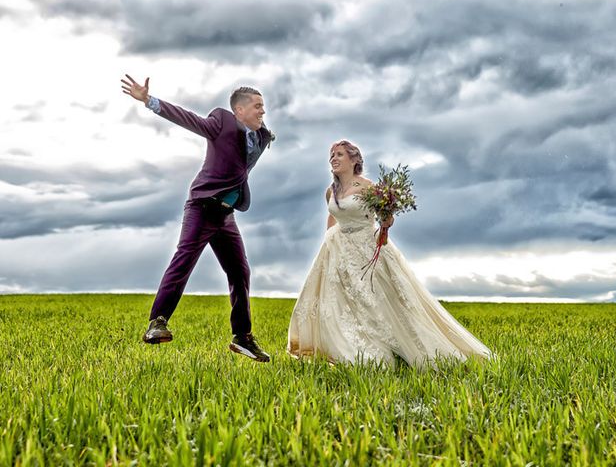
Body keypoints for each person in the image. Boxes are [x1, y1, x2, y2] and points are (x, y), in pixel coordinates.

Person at [287, 140, 492, 369]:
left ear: (354, 160)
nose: (333, 159)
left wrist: (387, 221)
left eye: (339, 155)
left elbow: (385, 217)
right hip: (337, 249)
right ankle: (344, 347)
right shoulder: (330, 191)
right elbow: (332, 216)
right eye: (331, 155)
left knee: (374, 298)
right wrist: (328, 244)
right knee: (341, 302)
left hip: (367, 246)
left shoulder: (369, 188)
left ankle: (397, 347)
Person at [121, 74, 273, 362]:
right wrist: (150, 101)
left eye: (263, 107)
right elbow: (189, 119)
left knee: (240, 273)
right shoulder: (222, 122)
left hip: (226, 216)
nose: (262, 111)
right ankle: (157, 322)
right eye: (257, 106)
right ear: (238, 110)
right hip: (202, 207)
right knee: (184, 260)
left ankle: (242, 338)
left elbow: (243, 160)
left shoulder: (262, 135)